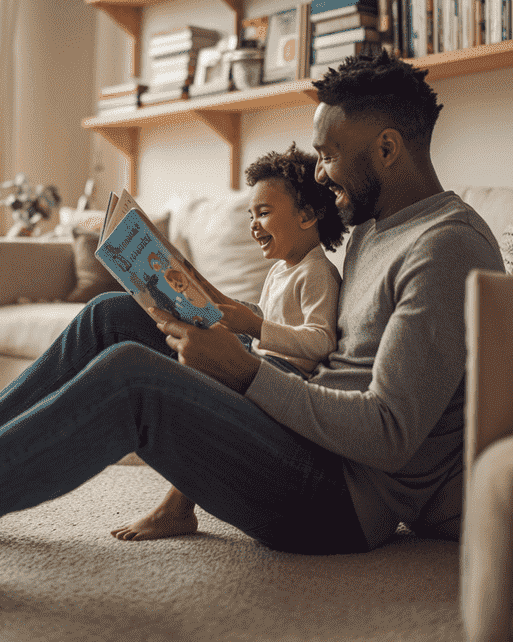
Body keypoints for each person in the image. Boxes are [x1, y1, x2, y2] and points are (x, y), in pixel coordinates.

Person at [0, 49, 505, 585]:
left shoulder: (446, 248)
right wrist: (215, 324)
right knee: (114, 316)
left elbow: (388, 434)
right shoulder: (378, 227)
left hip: (343, 504)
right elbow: (334, 363)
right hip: (306, 444)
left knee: (132, 377)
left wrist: (243, 373)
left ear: (386, 148)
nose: (320, 175)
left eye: (328, 157)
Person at [112, 144, 347, 541]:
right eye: (251, 214)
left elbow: (320, 341)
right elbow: (270, 319)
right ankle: (174, 494)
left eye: (265, 213)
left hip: (284, 382)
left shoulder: (317, 273)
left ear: (307, 215)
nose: (254, 225)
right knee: (193, 354)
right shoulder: (281, 271)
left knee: (201, 375)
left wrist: (255, 326)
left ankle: (176, 505)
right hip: (262, 365)